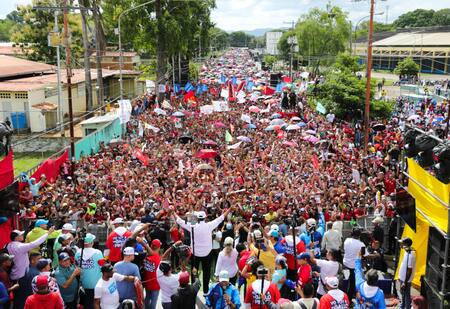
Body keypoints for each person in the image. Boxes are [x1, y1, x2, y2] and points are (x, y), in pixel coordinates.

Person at [172, 207, 233, 294]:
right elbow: (221, 217)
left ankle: (194, 289)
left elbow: (179, 221)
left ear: (197, 218)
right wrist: (230, 209)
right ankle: (205, 291)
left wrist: (173, 212)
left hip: (195, 254)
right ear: (205, 218)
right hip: (206, 254)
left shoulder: (192, 225)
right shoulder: (209, 225)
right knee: (206, 273)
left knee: (194, 273)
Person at [75, 233, 103, 309]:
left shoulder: (78, 253)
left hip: (83, 283)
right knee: (97, 302)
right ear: (91, 242)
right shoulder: (98, 252)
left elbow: (76, 266)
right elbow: (102, 266)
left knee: (87, 303)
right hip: (97, 283)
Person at [343, 228, 366, 303]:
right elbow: (364, 255)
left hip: (346, 262)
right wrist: (376, 255)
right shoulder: (361, 244)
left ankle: (351, 294)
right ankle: (349, 299)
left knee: (352, 278)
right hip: (353, 265)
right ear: (359, 235)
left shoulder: (347, 240)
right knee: (353, 281)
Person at [142, 239, 162, 309]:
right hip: (156, 284)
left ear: (151, 246)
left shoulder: (146, 256)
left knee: (147, 298)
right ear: (159, 248)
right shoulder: (158, 259)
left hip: (147, 283)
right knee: (154, 300)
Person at [397, 237, 416, 309]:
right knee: (403, 294)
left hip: (406, 280)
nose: (400, 245)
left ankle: (406, 307)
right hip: (402, 278)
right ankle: (402, 306)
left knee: (406, 295)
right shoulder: (406, 251)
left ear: (406, 244)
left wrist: (405, 282)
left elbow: (409, 270)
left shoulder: (410, 255)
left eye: (402, 243)